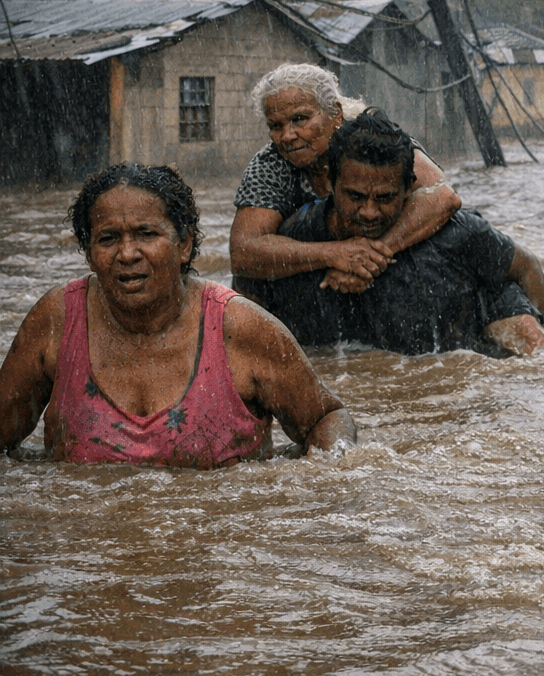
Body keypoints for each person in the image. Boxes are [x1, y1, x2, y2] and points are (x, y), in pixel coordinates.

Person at [0, 165, 355, 467]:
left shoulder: (240, 327)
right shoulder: (58, 320)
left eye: (146, 234)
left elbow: (326, 418)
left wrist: (326, 478)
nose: (127, 253)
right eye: (107, 238)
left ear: (184, 244)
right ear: (89, 254)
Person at [236, 112, 544, 358]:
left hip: (467, 343)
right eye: (355, 196)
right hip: (364, 364)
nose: (369, 213)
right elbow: (247, 300)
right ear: (329, 182)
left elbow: (527, 268)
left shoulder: (457, 234)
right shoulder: (294, 241)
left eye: (385, 198)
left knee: (530, 340)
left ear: (409, 188)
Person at [230, 63, 461, 295]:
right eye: (275, 126)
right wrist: (334, 253)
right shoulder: (271, 162)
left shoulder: (371, 135)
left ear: (336, 113)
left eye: (299, 119)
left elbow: (442, 197)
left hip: (388, 258)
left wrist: (370, 256)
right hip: (311, 278)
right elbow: (243, 253)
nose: (287, 136)